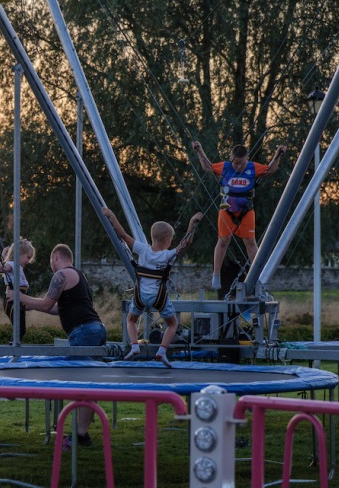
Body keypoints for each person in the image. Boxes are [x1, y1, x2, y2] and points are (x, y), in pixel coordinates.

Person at [8, 244, 105, 449]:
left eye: (50, 263)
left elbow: (44, 304)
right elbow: (54, 309)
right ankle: (82, 434)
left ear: (55, 258)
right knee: (90, 384)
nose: (51, 267)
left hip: (84, 332)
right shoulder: (78, 275)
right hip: (94, 329)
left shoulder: (61, 274)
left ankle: (79, 435)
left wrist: (18, 297)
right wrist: (27, 304)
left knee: (84, 386)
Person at [102, 208, 203, 367]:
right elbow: (186, 243)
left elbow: (122, 235)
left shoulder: (142, 249)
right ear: (167, 240)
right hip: (159, 297)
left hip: (140, 295)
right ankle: (162, 351)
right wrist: (192, 223)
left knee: (131, 319)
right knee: (172, 324)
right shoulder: (168, 255)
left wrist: (111, 215)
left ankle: (134, 346)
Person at [191, 141, 287, 289]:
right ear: (231, 159)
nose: (239, 166)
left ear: (247, 160)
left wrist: (278, 154)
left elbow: (270, 169)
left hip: (246, 209)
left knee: (250, 242)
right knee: (223, 240)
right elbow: (207, 166)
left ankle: (257, 275)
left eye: (242, 163)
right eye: (236, 163)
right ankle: (216, 274)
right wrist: (200, 150)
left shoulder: (252, 167)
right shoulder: (225, 167)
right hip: (226, 208)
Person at [0, 238, 35, 344]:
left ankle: (13, 346)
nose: (28, 261)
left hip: (18, 301)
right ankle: (12, 348)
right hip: (12, 302)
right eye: (28, 257)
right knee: (19, 330)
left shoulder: (17, 266)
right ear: (19, 254)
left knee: (21, 330)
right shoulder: (12, 265)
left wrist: (4, 253)